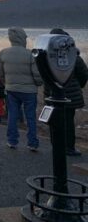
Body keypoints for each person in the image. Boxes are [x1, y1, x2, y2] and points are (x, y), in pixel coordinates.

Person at [0, 27, 42, 151]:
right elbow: (37, 74)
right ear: (22, 38)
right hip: (29, 91)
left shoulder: (3, 53)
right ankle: (32, 143)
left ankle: (12, 141)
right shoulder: (30, 54)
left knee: (12, 115)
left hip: (11, 89)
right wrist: (38, 83)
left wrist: (6, 82)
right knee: (30, 117)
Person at [43, 28, 88, 157]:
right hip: (70, 95)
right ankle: (69, 147)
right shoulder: (73, 55)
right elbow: (83, 73)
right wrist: (78, 85)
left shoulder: (46, 55)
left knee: (54, 120)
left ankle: (56, 145)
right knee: (68, 122)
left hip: (51, 93)